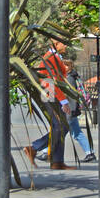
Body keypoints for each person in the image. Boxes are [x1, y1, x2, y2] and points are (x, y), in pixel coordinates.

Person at [24, 39, 70, 170]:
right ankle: (34, 148)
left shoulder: (54, 58)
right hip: (51, 96)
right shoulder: (50, 59)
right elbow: (53, 81)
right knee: (60, 127)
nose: (65, 45)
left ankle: (56, 161)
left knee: (61, 127)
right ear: (56, 44)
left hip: (52, 95)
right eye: (63, 43)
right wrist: (63, 101)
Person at [65, 67, 96, 163]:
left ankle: (45, 151)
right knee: (77, 132)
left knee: (58, 131)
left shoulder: (69, 78)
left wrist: (72, 110)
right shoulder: (73, 77)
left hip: (70, 110)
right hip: (72, 110)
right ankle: (90, 153)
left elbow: (72, 95)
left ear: (67, 67)